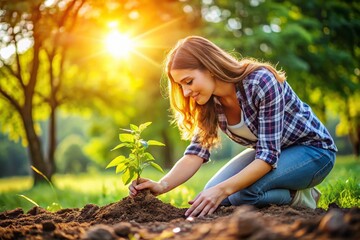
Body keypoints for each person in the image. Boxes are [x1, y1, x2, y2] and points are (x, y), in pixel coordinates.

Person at [129, 36, 337, 217]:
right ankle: (286, 190)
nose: (185, 92)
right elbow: (195, 154)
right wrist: (161, 186)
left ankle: (299, 197)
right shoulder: (208, 102)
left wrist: (224, 190)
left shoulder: (260, 81)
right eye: (181, 85)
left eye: (189, 81)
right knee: (213, 193)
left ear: (210, 68)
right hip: (275, 154)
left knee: (242, 193)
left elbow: (267, 156)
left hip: (314, 151)